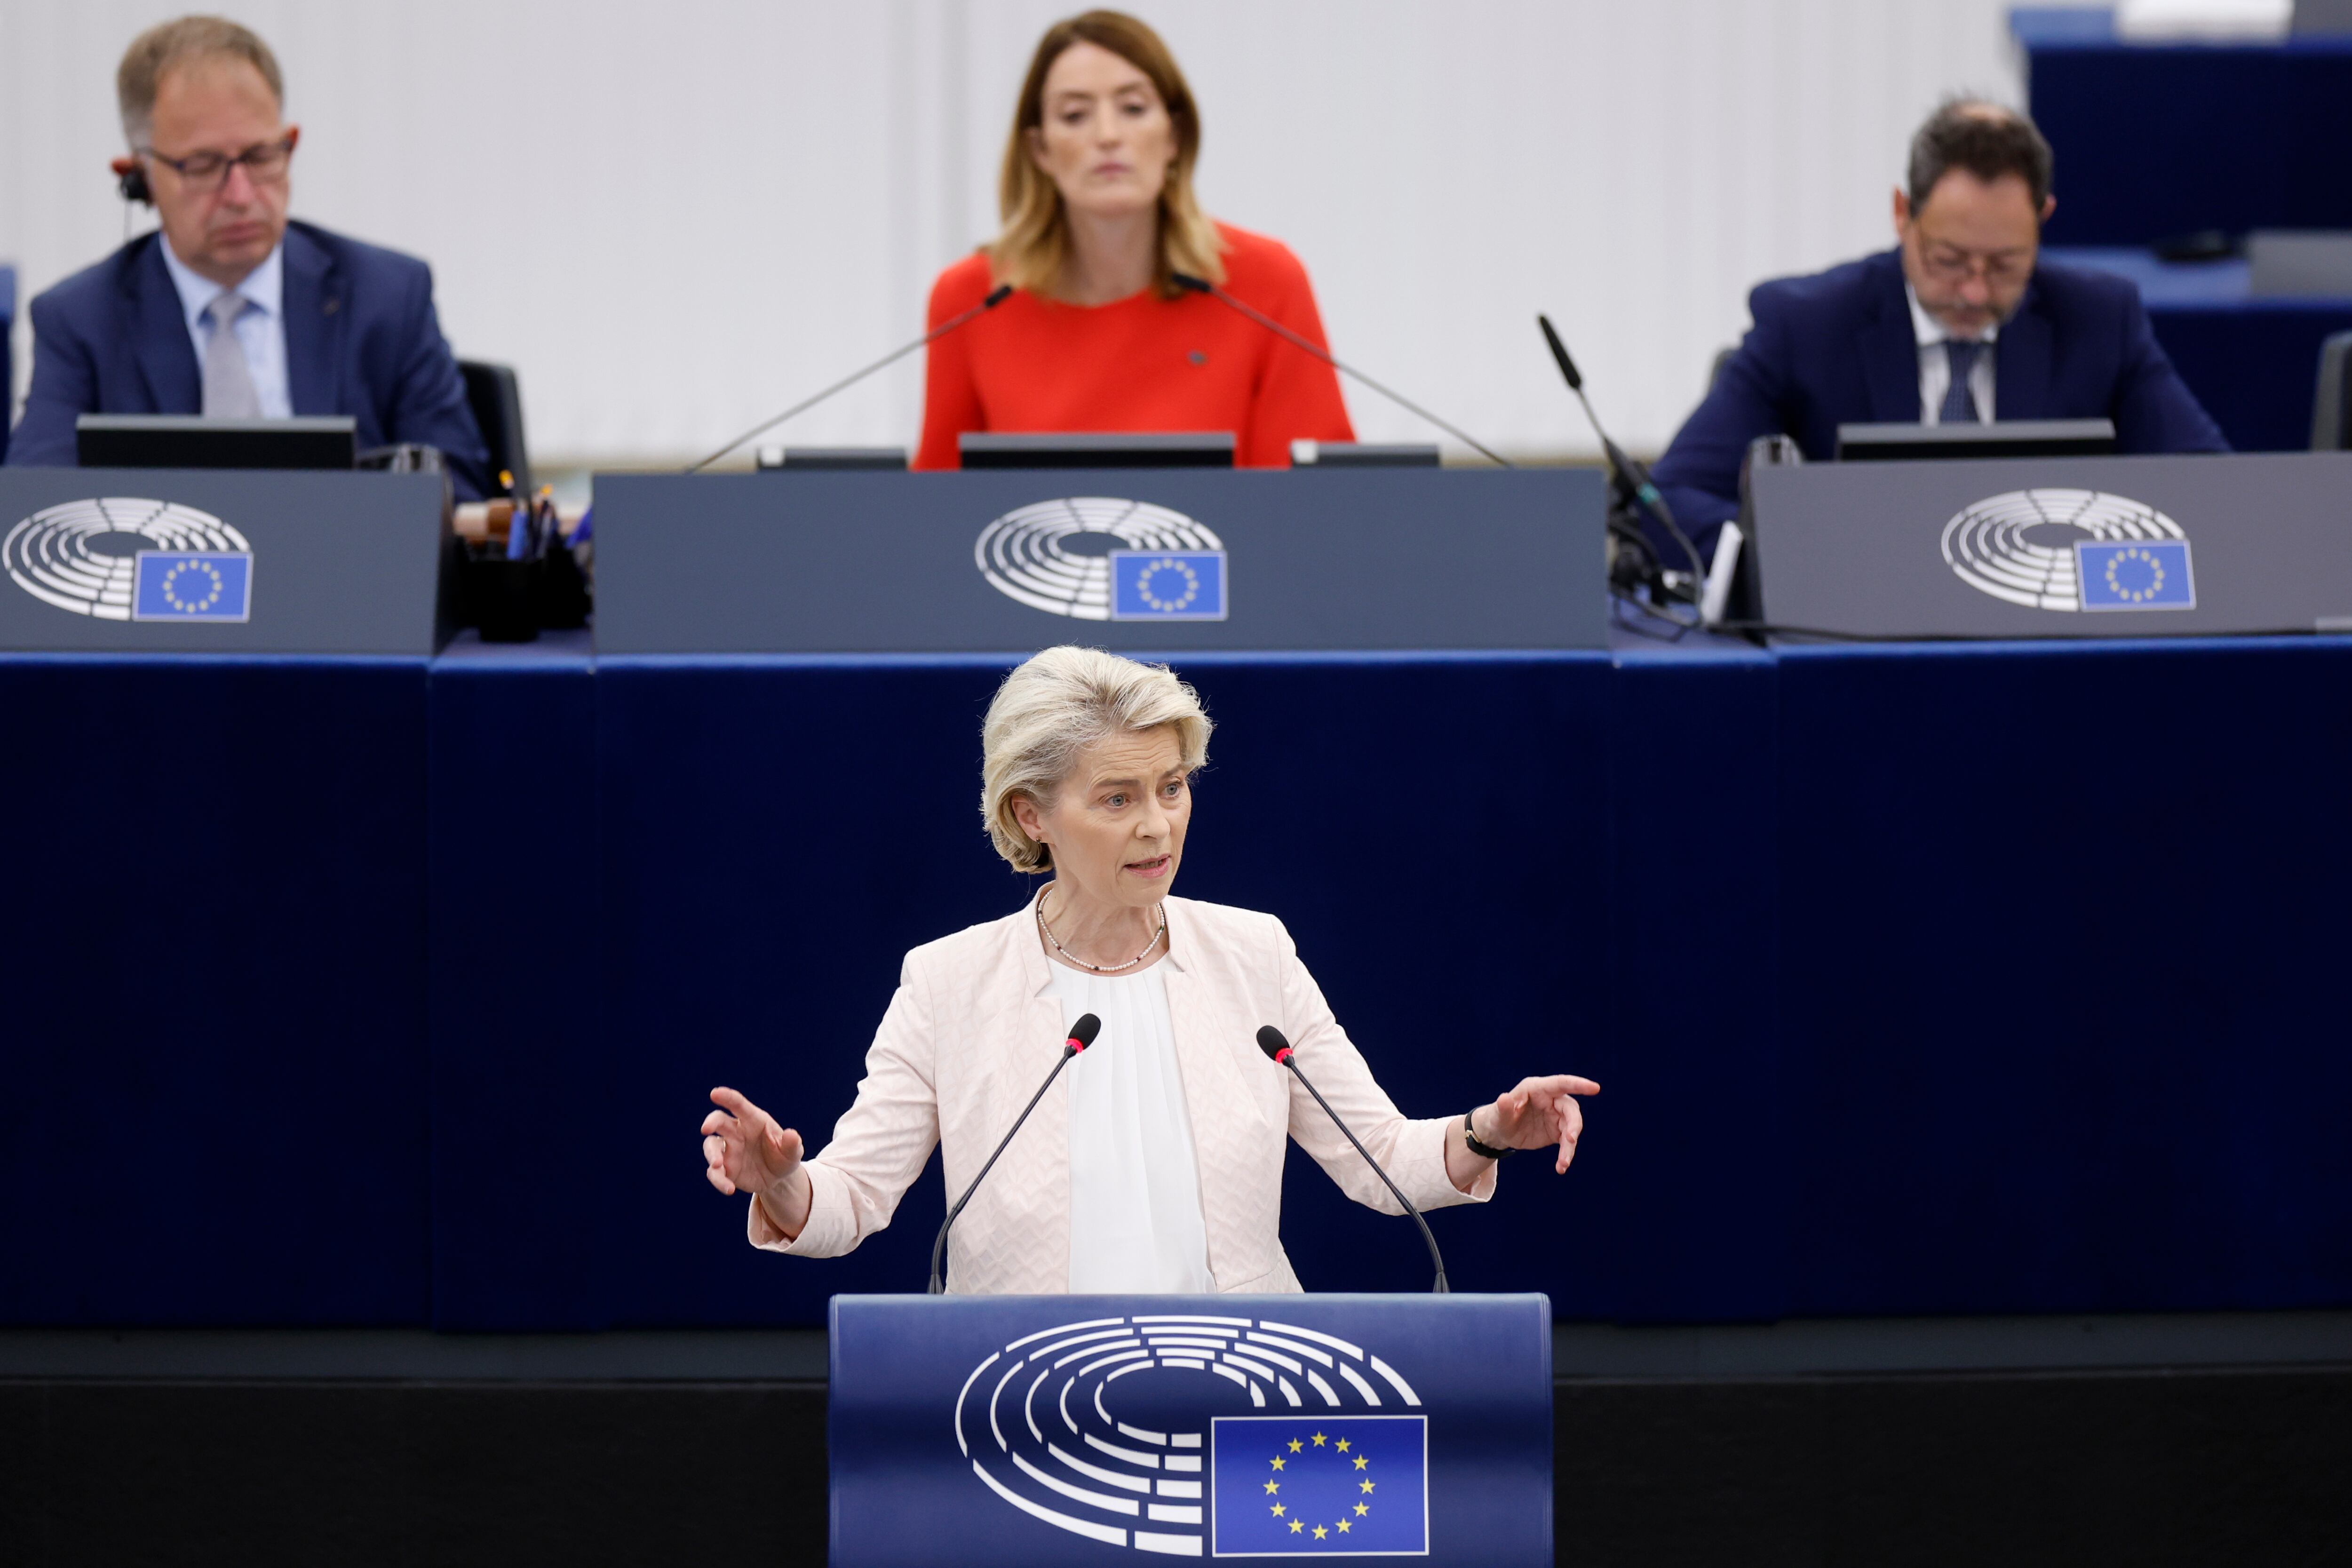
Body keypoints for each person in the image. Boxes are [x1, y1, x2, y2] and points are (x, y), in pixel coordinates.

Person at [699, 646, 1598, 1293]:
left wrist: (1486, 1129)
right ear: (1033, 813)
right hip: (1023, 1394)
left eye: (1173, 787)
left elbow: (1384, 1163)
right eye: (1118, 798)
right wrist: (782, 1181)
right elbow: (849, 1200)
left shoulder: (1255, 954)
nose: (1159, 825)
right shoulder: (948, 983)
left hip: (1243, 1384)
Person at [1650, 99, 2226, 556]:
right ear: (1902, 213)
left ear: (2042, 220)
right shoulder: (1806, 324)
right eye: (1948, 260)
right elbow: (1666, 503)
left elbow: (2212, 493)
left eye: (2004, 266)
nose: (1974, 291)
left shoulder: (2100, 321)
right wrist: (1799, 556)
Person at [6, 16, 490, 500]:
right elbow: (35, 512)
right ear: (138, 176)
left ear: (291, 143)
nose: (240, 195)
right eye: (202, 165)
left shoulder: (387, 295)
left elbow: (458, 500)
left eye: (260, 157)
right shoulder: (81, 320)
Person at [914, 11, 1355, 470]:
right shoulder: (972, 300)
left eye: (1133, 109)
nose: (1107, 136)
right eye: (1075, 115)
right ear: (1039, 150)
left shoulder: (1264, 283)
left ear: (1174, 136)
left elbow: (1320, 507)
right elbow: (934, 512)